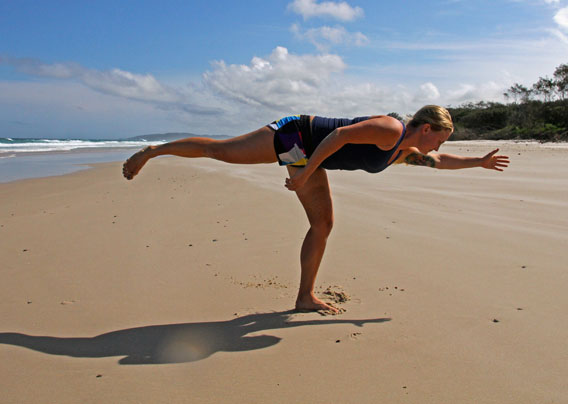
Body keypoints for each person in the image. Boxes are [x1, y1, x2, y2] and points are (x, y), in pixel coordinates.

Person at [122, 105, 510, 313]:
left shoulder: (405, 150)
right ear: (426, 128)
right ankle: (154, 151)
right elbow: (339, 135)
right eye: (438, 139)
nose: (436, 147)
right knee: (219, 151)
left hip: (313, 157)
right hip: (295, 134)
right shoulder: (392, 129)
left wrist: (478, 162)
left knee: (322, 224)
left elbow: (438, 163)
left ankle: (304, 297)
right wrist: (305, 172)